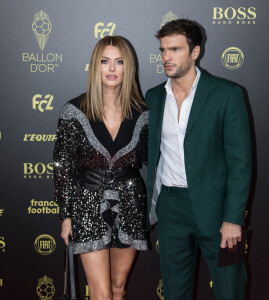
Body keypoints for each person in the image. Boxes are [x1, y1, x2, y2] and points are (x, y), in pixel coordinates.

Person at [146, 19, 252, 300]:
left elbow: (240, 163)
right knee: (174, 293)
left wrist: (233, 218)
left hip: (219, 212)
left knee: (231, 291)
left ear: (195, 52)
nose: (167, 57)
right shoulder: (154, 97)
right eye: (163, 50)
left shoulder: (227, 95)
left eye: (176, 49)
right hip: (171, 208)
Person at [53, 35, 148, 300]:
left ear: (128, 67)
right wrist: (66, 216)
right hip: (87, 205)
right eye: (105, 61)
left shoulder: (143, 113)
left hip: (130, 203)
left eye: (119, 62)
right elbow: (63, 167)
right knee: (101, 293)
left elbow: (156, 157)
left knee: (118, 288)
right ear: (96, 66)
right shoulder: (74, 110)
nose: (112, 68)